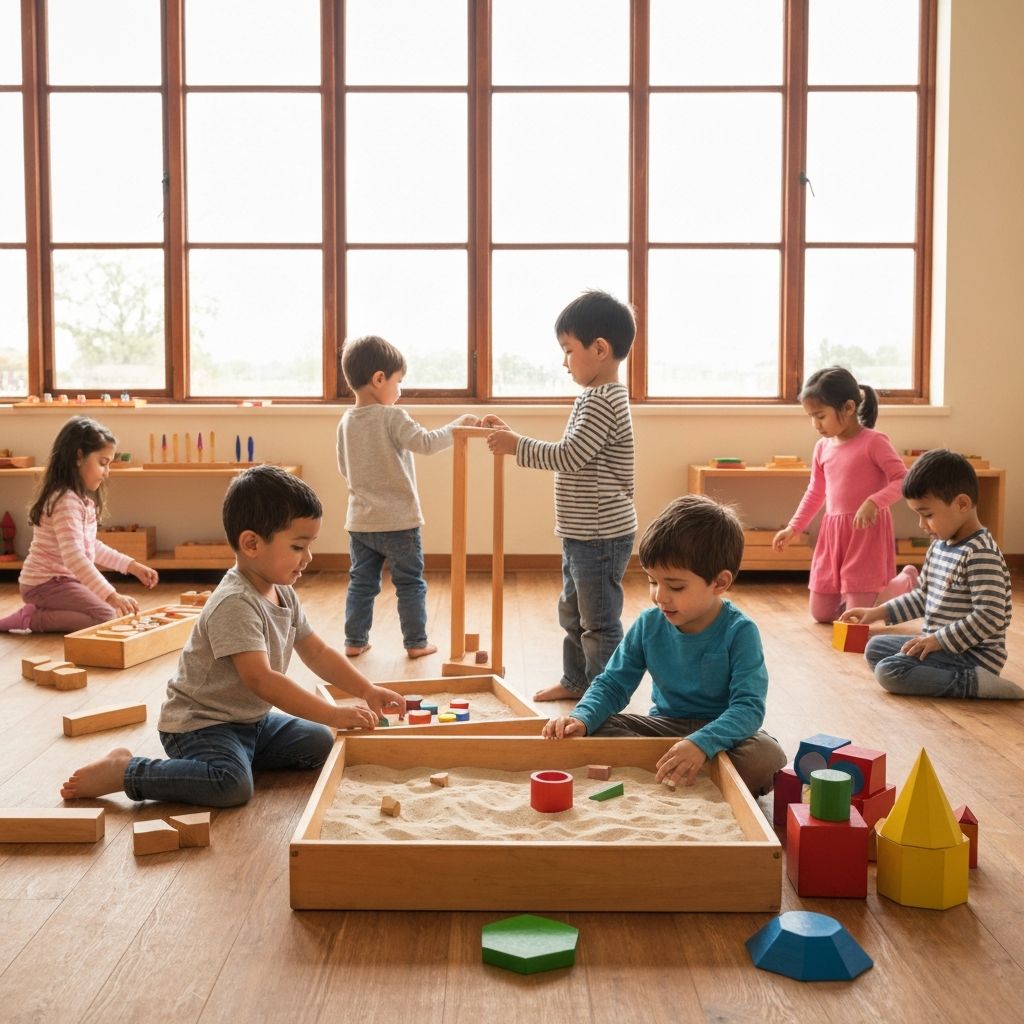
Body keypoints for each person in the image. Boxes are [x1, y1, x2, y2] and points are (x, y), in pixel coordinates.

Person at [59, 465, 408, 806]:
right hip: (200, 726)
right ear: (252, 544)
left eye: (309, 545)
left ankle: (236, 755)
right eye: (298, 547)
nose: (309, 557)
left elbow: (315, 652)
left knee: (317, 741)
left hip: (249, 721)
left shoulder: (282, 591)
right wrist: (332, 714)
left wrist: (366, 690)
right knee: (231, 786)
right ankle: (126, 771)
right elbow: (261, 680)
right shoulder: (235, 602)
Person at [542, 494, 787, 797]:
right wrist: (581, 717)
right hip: (664, 730)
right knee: (596, 727)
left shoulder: (740, 631)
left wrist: (702, 742)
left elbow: (748, 709)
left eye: (675, 586)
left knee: (766, 757)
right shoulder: (649, 624)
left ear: (719, 583)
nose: (660, 596)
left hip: (724, 736)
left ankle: (684, 767)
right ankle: (685, 771)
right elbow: (613, 684)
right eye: (652, 581)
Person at [483, 289, 637, 702]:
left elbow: (570, 456)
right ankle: (577, 682)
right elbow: (576, 455)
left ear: (599, 349)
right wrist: (512, 438)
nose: (564, 361)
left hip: (601, 535)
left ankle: (606, 695)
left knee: (599, 621)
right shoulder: (594, 397)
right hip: (581, 531)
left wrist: (516, 445)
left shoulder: (603, 401)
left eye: (568, 350)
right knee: (573, 613)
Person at [337, 335, 479, 659]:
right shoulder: (392, 416)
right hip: (400, 522)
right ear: (378, 379)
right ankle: (416, 643)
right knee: (410, 583)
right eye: (398, 382)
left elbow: (344, 468)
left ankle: (354, 640)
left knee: (361, 583)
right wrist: (458, 426)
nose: (399, 390)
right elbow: (426, 443)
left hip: (360, 522)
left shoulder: (346, 422)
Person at [841, 449, 1023, 699]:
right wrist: (876, 613)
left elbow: (990, 616)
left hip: (971, 656)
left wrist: (938, 640)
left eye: (927, 515)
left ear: (961, 504)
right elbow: (922, 597)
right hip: (940, 645)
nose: (921, 524)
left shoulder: (981, 553)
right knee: (875, 647)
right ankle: (933, 672)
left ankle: (975, 683)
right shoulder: (939, 546)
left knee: (889, 671)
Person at [773, 366, 917, 624]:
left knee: (856, 618)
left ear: (849, 408)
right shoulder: (822, 447)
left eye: (820, 416)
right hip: (833, 534)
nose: (816, 424)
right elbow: (816, 491)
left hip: (866, 534)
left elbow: (903, 479)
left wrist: (874, 502)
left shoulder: (874, 442)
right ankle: (854, 595)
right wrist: (794, 527)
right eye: (811, 417)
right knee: (821, 614)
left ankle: (904, 582)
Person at [0, 416, 158, 634]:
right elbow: (75, 557)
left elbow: (92, 547)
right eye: (103, 463)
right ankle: (31, 618)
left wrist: (131, 566)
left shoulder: (81, 501)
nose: (107, 472)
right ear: (78, 456)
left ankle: (41, 611)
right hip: (44, 584)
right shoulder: (65, 502)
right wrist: (112, 595)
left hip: (63, 582)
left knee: (108, 612)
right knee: (106, 615)